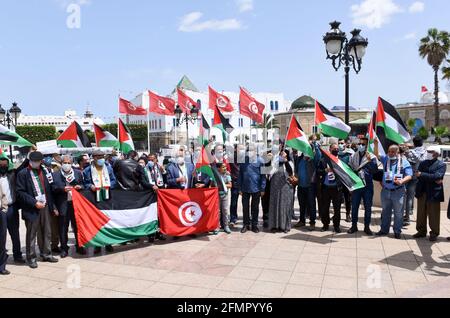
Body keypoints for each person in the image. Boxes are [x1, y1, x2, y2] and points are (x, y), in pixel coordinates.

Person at [16, 151, 59, 268]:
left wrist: (53, 206)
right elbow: (20, 192)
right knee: (31, 234)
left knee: (47, 231)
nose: (35, 163)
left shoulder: (45, 171)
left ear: (41, 161)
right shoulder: (23, 173)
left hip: (45, 206)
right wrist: (34, 203)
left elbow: (49, 190)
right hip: (31, 208)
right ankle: (31, 258)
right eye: (33, 161)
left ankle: (47, 253)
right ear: (30, 161)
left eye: (37, 161)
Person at [374, 142, 413, 239]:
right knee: (385, 211)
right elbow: (376, 154)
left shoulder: (404, 162)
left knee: (398, 213)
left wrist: (402, 181)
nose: (390, 153)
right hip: (386, 191)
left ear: (397, 152)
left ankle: (397, 231)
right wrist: (375, 144)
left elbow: (409, 175)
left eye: (392, 152)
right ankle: (384, 230)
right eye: (389, 152)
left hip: (398, 192)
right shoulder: (386, 159)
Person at [83, 150, 117, 253]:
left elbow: (114, 180)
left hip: (107, 198)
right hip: (95, 198)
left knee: (107, 221)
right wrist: (90, 186)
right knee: (96, 222)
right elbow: (85, 183)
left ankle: (108, 243)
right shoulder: (87, 170)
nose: (101, 158)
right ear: (94, 158)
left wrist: (109, 185)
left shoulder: (109, 168)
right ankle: (97, 244)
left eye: (102, 156)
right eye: (98, 157)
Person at [51, 155, 85, 257]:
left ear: (72, 163)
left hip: (75, 204)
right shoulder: (55, 175)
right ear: (61, 164)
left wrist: (80, 187)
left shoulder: (78, 173)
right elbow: (52, 189)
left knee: (77, 226)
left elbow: (83, 185)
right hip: (62, 204)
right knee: (63, 227)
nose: (66, 165)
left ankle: (79, 246)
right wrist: (62, 189)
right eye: (64, 163)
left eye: (68, 163)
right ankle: (64, 248)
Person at [413, 146, 447, 242]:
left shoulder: (441, 165)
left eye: (430, 151)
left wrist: (423, 175)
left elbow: (438, 176)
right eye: (427, 151)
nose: (428, 153)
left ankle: (434, 233)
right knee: (421, 213)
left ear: (436, 153)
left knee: (434, 215)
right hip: (422, 192)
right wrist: (432, 178)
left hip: (434, 193)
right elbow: (418, 174)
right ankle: (421, 231)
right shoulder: (423, 163)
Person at [348, 138, 378, 235]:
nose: (361, 145)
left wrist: (369, 162)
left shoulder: (372, 156)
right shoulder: (353, 155)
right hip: (357, 185)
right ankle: (354, 226)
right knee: (355, 206)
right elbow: (350, 169)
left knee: (368, 207)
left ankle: (366, 227)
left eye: (363, 144)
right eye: (359, 143)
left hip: (367, 186)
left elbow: (375, 170)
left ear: (367, 145)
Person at [0, 155, 25, 264]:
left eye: (5, 163)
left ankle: (17, 255)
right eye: (1, 164)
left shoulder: (12, 174)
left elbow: (22, 166)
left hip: (12, 208)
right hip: (1, 209)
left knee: (15, 233)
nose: (3, 165)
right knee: (2, 235)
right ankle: (2, 257)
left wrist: (29, 155)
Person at [238, 146, 266, 233]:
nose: (250, 152)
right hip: (245, 188)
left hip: (256, 188)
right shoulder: (243, 161)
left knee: (255, 207)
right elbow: (240, 175)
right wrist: (240, 188)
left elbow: (263, 176)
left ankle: (254, 225)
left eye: (252, 150)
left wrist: (262, 188)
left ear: (255, 151)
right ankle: (246, 224)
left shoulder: (261, 161)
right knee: (245, 207)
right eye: (248, 150)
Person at [268, 150, 296, 233]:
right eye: (281, 154)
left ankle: (285, 226)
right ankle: (274, 226)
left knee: (285, 206)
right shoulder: (275, 162)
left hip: (285, 187)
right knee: (275, 205)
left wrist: (285, 161)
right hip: (275, 187)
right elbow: (268, 170)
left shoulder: (289, 163)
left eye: (284, 154)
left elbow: (290, 172)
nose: (282, 156)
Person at [318, 144, 343, 233]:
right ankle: (325, 224)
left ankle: (336, 226)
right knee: (325, 207)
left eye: (337, 149)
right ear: (330, 149)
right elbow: (318, 171)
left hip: (336, 188)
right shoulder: (324, 160)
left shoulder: (340, 161)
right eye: (334, 148)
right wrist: (325, 170)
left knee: (337, 209)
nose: (336, 150)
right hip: (326, 188)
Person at [403, 136, 427, 226]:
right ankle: (411, 212)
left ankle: (407, 217)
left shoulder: (411, 152)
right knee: (413, 196)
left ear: (414, 143)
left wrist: (409, 150)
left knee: (409, 196)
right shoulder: (424, 151)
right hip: (417, 175)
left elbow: (418, 160)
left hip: (412, 176)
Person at [294, 147, 320, 231]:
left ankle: (312, 222)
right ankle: (302, 220)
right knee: (302, 204)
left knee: (311, 205)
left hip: (310, 186)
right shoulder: (300, 158)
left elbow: (318, 155)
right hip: (301, 185)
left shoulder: (313, 160)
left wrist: (315, 145)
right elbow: (297, 170)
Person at [338, 139, 354, 223]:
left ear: (345, 144)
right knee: (337, 198)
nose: (340, 144)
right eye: (339, 143)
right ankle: (337, 214)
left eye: (342, 143)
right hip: (337, 180)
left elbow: (352, 166)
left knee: (348, 198)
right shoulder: (336, 154)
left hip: (347, 180)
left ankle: (348, 214)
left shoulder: (349, 154)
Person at [215, 163, 232, 234]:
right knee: (218, 211)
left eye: (225, 167)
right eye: (223, 167)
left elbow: (230, 185)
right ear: (219, 168)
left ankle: (226, 226)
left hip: (225, 195)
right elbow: (213, 185)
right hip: (217, 196)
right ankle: (217, 226)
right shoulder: (215, 176)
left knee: (225, 210)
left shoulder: (227, 175)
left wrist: (222, 185)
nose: (225, 168)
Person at [229, 144, 243, 226]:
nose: (241, 150)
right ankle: (233, 218)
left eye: (242, 149)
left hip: (244, 182)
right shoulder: (231, 158)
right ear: (235, 149)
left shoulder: (245, 158)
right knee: (234, 201)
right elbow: (228, 168)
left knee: (246, 202)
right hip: (235, 182)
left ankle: (247, 219)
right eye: (240, 149)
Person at [0, 174, 10, 275]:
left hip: (0, 213)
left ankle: (2, 266)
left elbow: (3, 195)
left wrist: (4, 209)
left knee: (2, 240)